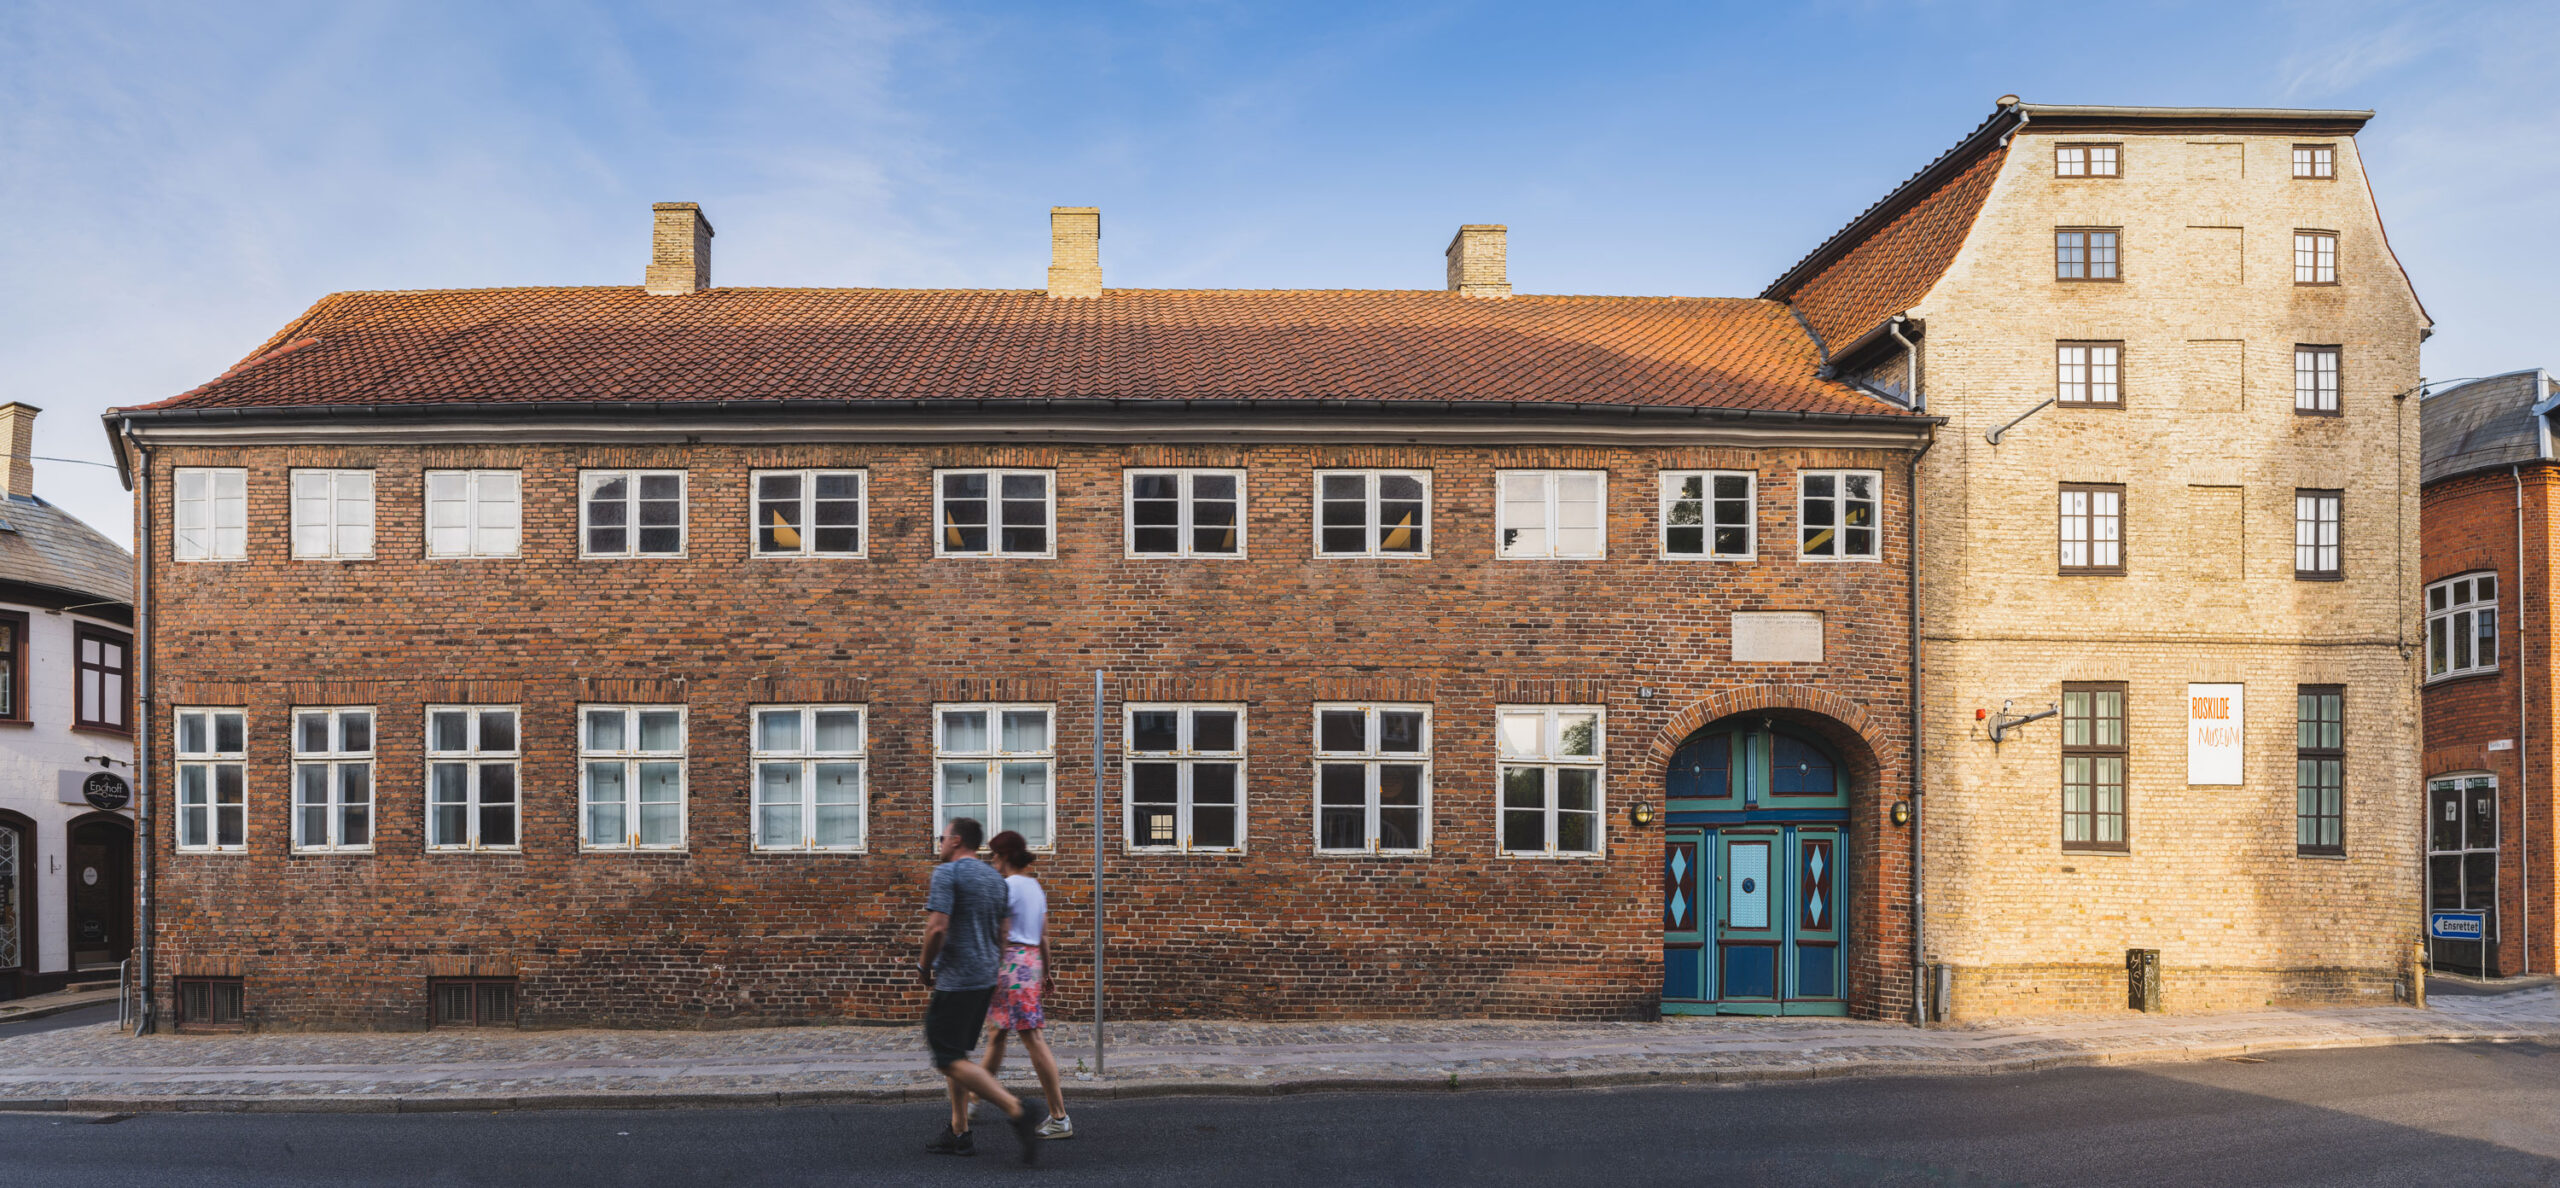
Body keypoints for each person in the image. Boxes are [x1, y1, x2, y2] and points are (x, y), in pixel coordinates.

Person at [918, 817, 1045, 1162]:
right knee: (957, 1056)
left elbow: (937, 930)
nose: (940, 842)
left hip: (957, 979)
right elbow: (1003, 935)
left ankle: (1017, 1109)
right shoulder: (996, 880)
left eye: (943, 837)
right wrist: (991, 968)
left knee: (945, 1054)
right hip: (985, 978)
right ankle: (959, 1132)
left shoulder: (947, 874)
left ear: (957, 841)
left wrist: (925, 966)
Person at [979, 830, 1072, 1138]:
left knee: (1031, 1037)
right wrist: (1046, 970)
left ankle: (1059, 1116)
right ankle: (974, 1097)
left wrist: (993, 971)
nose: (991, 860)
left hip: (1011, 964)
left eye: (993, 854)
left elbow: (1002, 934)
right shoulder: (1035, 887)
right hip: (1030, 962)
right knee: (997, 1033)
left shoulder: (1007, 887)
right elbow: (1044, 935)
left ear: (1004, 857)